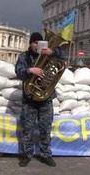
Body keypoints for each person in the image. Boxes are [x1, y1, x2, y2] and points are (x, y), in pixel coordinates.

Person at [15, 32, 65, 167]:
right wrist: (30, 70)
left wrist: (53, 52)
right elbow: (18, 72)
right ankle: (26, 155)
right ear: (30, 44)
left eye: (39, 42)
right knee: (27, 129)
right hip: (30, 98)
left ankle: (46, 154)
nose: (37, 45)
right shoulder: (24, 56)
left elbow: (63, 59)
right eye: (34, 42)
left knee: (45, 128)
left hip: (45, 98)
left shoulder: (48, 54)